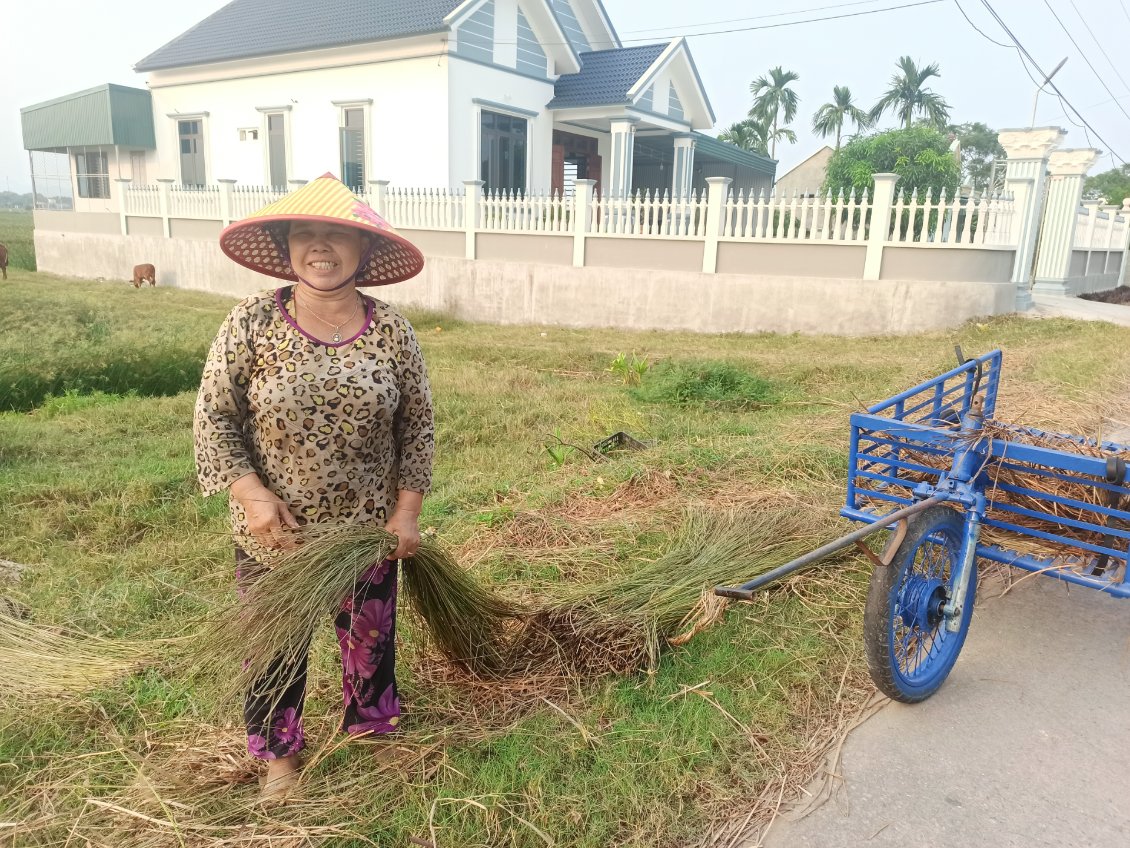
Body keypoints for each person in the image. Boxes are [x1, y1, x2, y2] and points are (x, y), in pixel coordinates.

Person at [193, 173, 434, 799]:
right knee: (275, 642)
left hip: (365, 528)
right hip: (278, 533)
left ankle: (372, 728)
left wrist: (405, 514)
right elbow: (214, 416)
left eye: (336, 235)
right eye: (306, 234)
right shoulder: (251, 323)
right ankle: (280, 757)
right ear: (288, 245)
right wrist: (253, 498)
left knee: (371, 636)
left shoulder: (392, 331)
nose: (320, 247)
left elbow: (418, 429)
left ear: (363, 252)